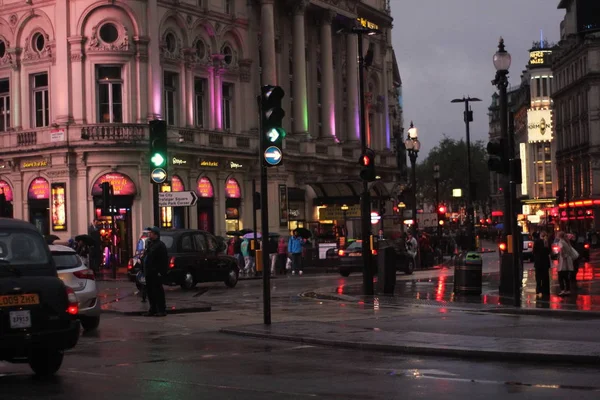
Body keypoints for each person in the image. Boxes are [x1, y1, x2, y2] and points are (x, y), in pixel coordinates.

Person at [143, 226, 168, 317]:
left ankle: (161, 309)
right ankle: (152, 309)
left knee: (158, 291)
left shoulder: (160, 245)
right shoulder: (150, 244)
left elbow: (164, 260)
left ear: (156, 235)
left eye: (151, 233)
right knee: (150, 291)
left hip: (155, 273)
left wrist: (161, 272)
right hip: (149, 272)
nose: (149, 234)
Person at [557, 231, 576, 297]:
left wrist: (561, 255)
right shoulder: (567, 242)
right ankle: (568, 290)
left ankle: (562, 290)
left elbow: (561, 249)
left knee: (560, 277)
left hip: (563, 261)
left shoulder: (561, 242)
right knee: (566, 277)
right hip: (568, 260)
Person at [532, 231, 551, 298]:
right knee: (545, 277)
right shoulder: (547, 242)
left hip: (538, 262)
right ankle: (545, 290)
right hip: (545, 262)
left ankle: (538, 290)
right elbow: (549, 252)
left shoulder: (537, 242)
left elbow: (534, 251)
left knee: (538, 277)